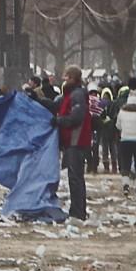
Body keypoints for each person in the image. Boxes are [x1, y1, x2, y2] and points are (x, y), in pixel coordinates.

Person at [52, 68, 98, 219]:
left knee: (76, 178)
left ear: (72, 78)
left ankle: (78, 212)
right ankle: (77, 210)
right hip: (74, 141)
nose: (64, 79)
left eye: (66, 76)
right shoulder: (73, 94)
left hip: (76, 140)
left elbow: (76, 117)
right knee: (75, 177)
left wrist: (59, 121)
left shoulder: (76, 95)